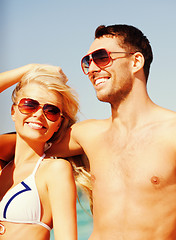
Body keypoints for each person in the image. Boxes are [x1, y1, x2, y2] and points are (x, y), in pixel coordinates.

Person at [1, 24, 176, 240]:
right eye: (87, 61)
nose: (92, 68)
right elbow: (26, 141)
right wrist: (29, 70)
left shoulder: (171, 134)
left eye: (102, 57)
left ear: (136, 62)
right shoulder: (87, 135)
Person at [0, 64, 91, 240]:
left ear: (58, 124)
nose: (39, 115)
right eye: (29, 105)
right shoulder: (3, 168)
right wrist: (31, 68)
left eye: (51, 111)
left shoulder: (55, 170)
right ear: (13, 111)